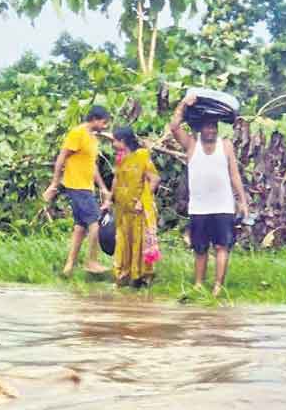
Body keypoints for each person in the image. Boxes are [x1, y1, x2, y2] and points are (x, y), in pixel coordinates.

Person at [170, 94, 249, 296]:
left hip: (223, 206)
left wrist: (242, 201)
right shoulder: (191, 145)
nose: (211, 130)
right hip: (199, 207)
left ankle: (217, 286)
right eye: (207, 126)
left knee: (222, 247)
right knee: (200, 248)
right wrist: (182, 105)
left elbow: (234, 174)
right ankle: (198, 284)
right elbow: (174, 128)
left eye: (214, 126)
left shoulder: (226, 146)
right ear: (200, 129)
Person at [42, 105, 112, 277]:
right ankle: (91, 262)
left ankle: (68, 268)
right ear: (94, 119)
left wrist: (102, 187)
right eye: (103, 123)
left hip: (86, 187)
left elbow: (92, 165)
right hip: (76, 186)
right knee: (96, 223)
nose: (105, 126)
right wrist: (54, 184)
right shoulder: (77, 133)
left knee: (80, 227)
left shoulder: (93, 139)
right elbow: (62, 157)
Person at [101, 127, 161, 287]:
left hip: (138, 209)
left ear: (123, 141)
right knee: (123, 241)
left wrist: (143, 200)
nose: (113, 144)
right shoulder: (120, 157)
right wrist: (109, 199)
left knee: (139, 242)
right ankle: (123, 276)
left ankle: (141, 277)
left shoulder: (141, 155)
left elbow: (154, 179)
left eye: (115, 140)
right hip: (123, 209)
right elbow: (116, 179)